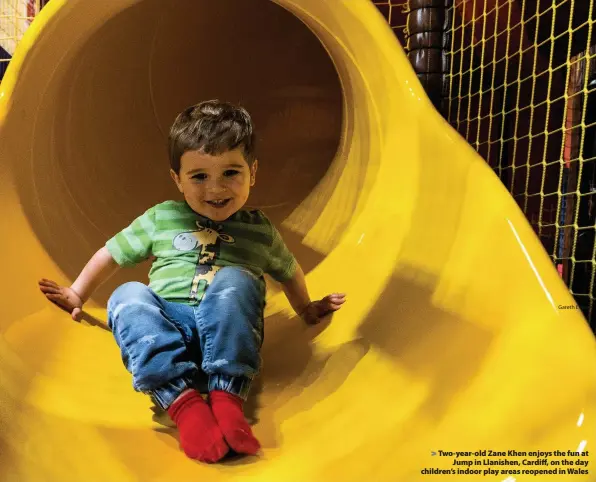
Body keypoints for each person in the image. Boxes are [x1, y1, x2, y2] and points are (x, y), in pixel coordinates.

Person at [38, 100, 346, 463]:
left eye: (231, 172)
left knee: (237, 280)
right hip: (168, 330)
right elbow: (112, 253)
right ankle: (185, 406)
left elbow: (288, 269)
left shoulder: (258, 230)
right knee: (127, 296)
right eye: (199, 176)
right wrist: (77, 292)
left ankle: (227, 400)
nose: (215, 188)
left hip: (230, 332)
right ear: (177, 179)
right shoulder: (163, 218)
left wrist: (306, 307)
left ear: (253, 172)